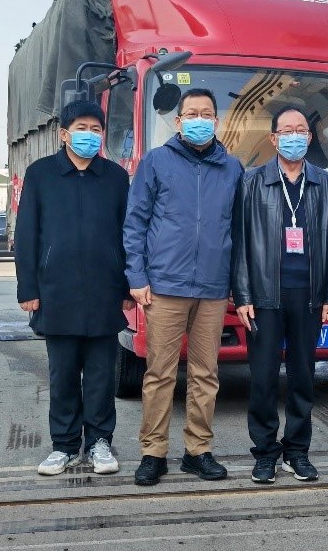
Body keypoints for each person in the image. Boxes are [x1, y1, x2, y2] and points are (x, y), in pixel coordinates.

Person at [123, 88, 244, 485]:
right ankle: (153, 452)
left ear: (216, 121)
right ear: (178, 121)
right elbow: (136, 222)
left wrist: (236, 283)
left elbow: (239, 231)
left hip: (213, 288)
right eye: (191, 113)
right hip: (165, 285)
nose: (199, 120)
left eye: (206, 114)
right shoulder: (156, 161)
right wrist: (137, 277)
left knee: (205, 373)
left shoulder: (232, 168)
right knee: (159, 373)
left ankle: (198, 450)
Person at [14, 101, 132, 477]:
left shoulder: (115, 177)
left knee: (101, 376)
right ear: (64, 133)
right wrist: (27, 288)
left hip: (104, 292)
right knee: (62, 375)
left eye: (96, 129)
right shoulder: (41, 174)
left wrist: (127, 286)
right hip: (57, 292)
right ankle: (64, 446)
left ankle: (99, 442)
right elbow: (26, 234)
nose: (89, 135)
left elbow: (127, 235)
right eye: (82, 128)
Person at [231, 105, 328, 484]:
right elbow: (240, 242)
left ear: (309, 137)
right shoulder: (251, 182)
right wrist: (242, 295)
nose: (294, 137)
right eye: (286, 131)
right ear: (274, 138)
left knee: (303, 378)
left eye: (300, 131)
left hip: (309, 297)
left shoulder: (325, 184)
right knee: (263, 379)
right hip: (264, 297)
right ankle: (265, 453)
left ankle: (297, 452)